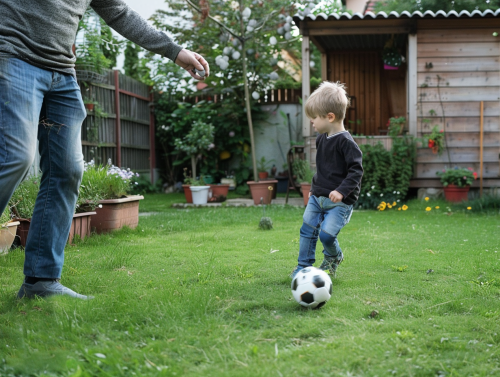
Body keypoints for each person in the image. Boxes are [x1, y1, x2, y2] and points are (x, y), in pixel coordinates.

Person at [0, 0, 209, 300]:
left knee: (67, 171)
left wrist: (174, 51)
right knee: (15, 157)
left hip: (61, 70)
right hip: (14, 56)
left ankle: (40, 280)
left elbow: (119, 12)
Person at [290, 82, 363, 279]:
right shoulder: (322, 138)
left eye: (314, 118)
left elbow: (356, 171)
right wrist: (315, 189)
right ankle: (303, 267)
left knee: (326, 235)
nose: (311, 122)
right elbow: (322, 169)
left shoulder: (347, 143)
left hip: (339, 202)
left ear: (329, 116)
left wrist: (341, 191)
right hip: (318, 197)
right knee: (307, 229)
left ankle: (333, 256)